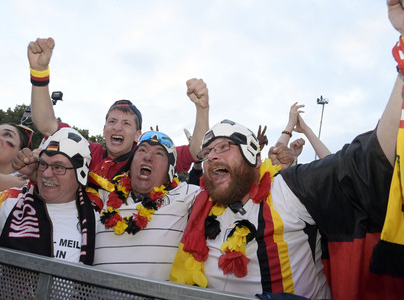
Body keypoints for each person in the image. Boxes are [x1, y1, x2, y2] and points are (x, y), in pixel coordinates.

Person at [169, 12, 404, 295]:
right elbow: (194, 152)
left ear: (253, 157)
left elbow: (369, 162)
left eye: (224, 147)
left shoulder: (289, 190)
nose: (212, 157)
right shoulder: (196, 204)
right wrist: (202, 111)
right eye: (209, 153)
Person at [26, 37, 209, 209]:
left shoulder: (148, 157)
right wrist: (39, 72)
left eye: (126, 124)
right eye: (112, 121)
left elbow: (198, 151)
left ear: (138, 135)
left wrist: (202, 109)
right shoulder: (87, 150)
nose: (117, 127)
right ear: (104, 129)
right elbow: (46, 125)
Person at [0, 127, 97, 265]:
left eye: (58, 167)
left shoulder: (96, 221)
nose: (46, 174)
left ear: (81, 174)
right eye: (43, 164)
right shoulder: (12, 200)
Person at [93, 131, 201, 281]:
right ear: (130, 164)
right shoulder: (104, 196)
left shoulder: (185, 194)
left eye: (159, 153)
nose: (148, 157)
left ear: (170, 171)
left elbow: (222, 183)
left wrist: (203, 110)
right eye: (142, 150)